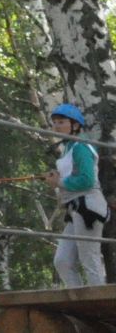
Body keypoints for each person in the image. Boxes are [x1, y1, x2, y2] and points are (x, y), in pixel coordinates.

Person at [47, 102, 108, 287]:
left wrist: (59, 182)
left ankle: (99, 308)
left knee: (89, 259)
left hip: (88, 207)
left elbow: (87, 179)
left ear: (75, 125)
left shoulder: (81, 146)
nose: (56, 126)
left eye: (61, 122)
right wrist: (57, 180)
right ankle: (80, 302)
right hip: (77, 209)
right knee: (63, 261)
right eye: (55, 122)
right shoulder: (69, 148)